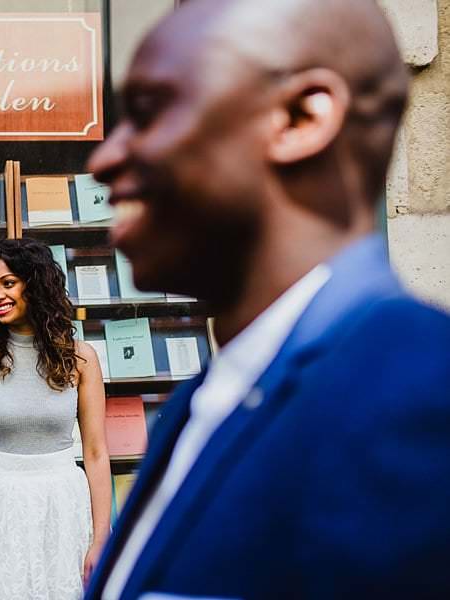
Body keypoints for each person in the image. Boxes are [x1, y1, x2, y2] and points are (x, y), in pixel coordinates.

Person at [83, 0, 450, 599]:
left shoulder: (419, 395)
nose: (104, 159)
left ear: (300, 117)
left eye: (149, 113)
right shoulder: (205, 399)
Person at [0, 238, 111, 600]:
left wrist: (100, 537)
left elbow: (96, 454)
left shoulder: (82, 359)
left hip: (63, 510)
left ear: (36, 283)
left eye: (7, 283)